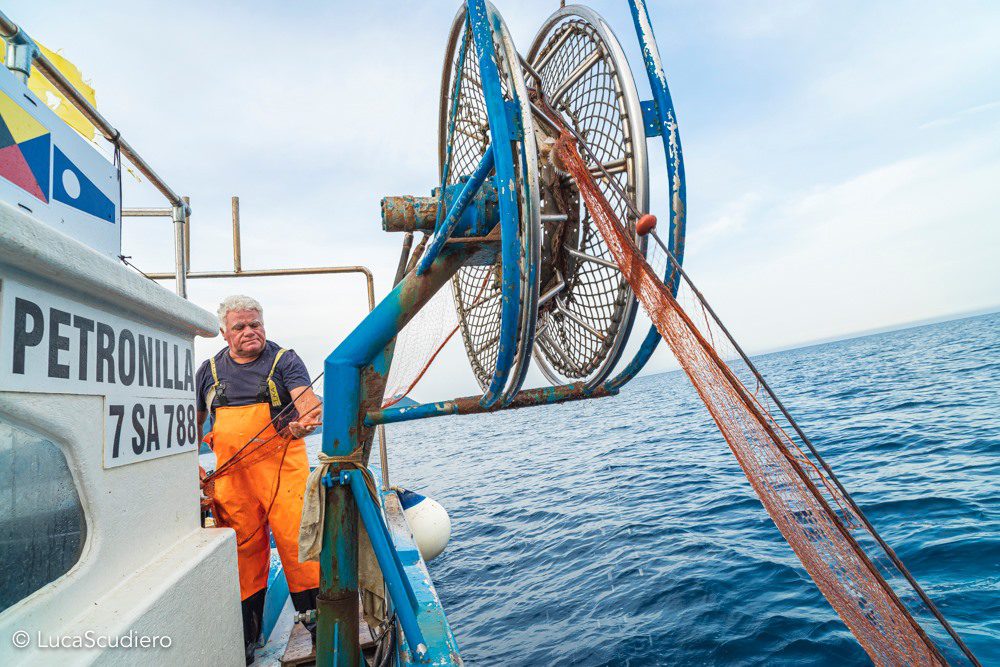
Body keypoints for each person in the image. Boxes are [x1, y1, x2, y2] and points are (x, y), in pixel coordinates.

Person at [196, 295, 321, 664]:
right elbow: (188, 423)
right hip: (233, 482)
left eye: (256, 324)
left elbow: (309, 404)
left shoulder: (285, 361)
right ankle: (247, 639)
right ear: (224, 333)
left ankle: (319, 629)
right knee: (244, 556)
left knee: (298, 546)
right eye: (240, 327)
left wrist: (306, 420)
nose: (250, 332)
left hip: (283, 473)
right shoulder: (208, 371)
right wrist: (192, 466)